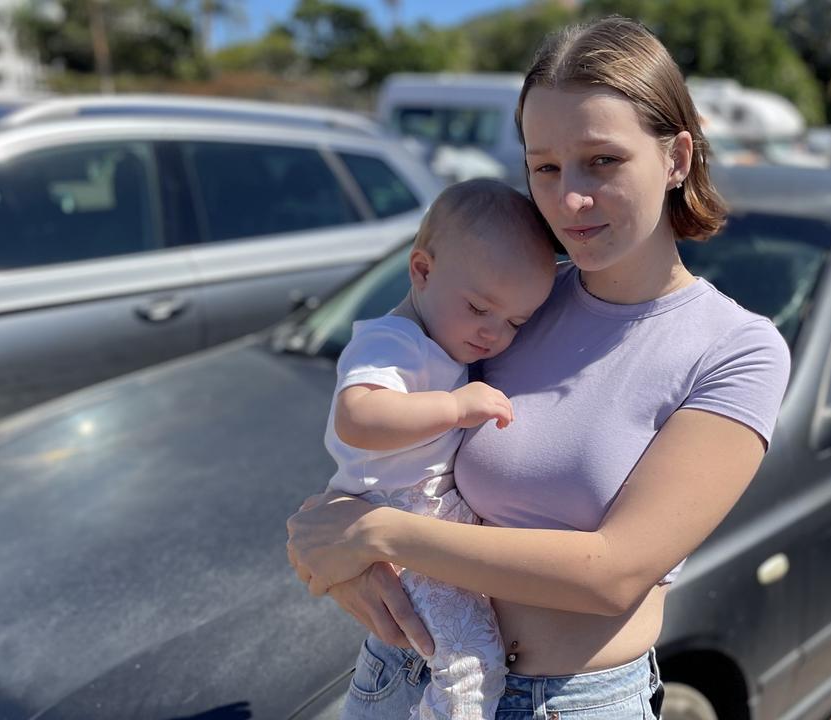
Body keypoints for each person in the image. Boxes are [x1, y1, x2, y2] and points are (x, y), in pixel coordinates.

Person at [287, 16, 791, 720]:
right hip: (406, 680)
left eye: (602, 161)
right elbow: (389, 423)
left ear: (676, 158)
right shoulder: (512, 301)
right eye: (544, 167)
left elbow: (613, 575)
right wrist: (338, 520)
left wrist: (377, 536)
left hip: (571, 705)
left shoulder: (736, 349)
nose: (569, 200)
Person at [321, 178, 556, 719]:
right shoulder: (394, 339)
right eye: (480, 308)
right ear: (422, 269)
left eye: (515, 322)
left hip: (420, 511)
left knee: (462, 648)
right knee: (469, 657)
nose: (493, 333)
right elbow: (358, 416)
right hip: (406, 509)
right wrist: (456, 408)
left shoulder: (440, 337)